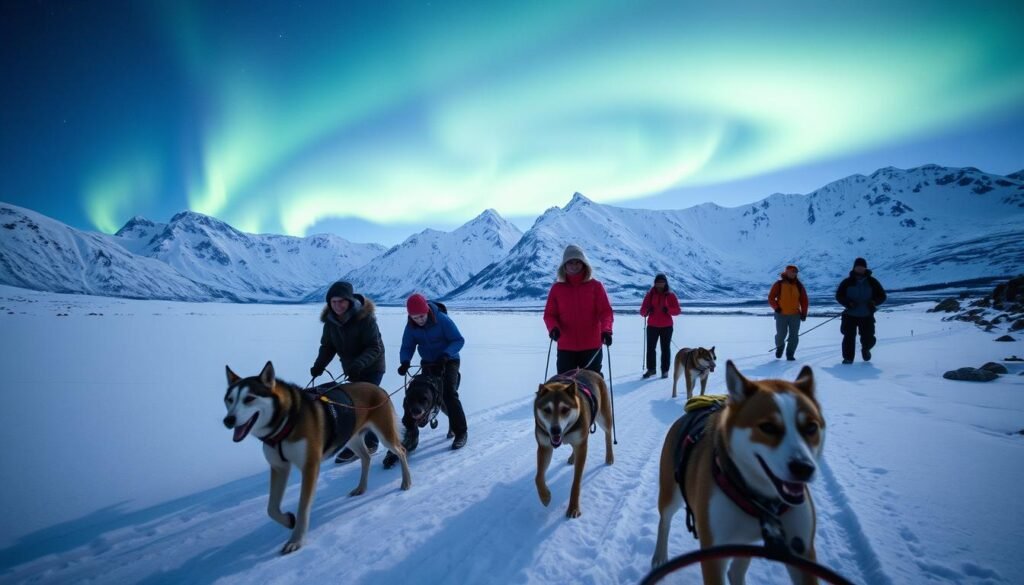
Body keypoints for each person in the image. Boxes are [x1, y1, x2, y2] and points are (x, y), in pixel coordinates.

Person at [310, 280, 386, 463]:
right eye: (334, 302)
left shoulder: (365, 319)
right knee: (353, 406)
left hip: (372, 367)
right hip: (352, 368)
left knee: (365, 405)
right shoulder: (330, 323)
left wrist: (359, 364)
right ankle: (356, 443)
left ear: (349, 301)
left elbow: (374, 347)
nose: (337, 305)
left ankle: (370, 443)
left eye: (341, 301)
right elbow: (328, 346)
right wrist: (319, 365)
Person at [396, 293, 469, 451]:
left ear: (427, 311)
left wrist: (445, 355)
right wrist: (405, 361)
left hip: (449, 360)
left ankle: (461, 432)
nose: (419, 320)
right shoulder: (411, 326)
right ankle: (408, 438)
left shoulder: (442, 319)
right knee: (416, 393)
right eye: (415, 317)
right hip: (429, 362)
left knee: (448, 394)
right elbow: (407, 346)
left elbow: (458, 340)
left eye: (422, 316)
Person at [543, 244, 614, 375]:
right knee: (565, 385)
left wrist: (606, 330)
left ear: (584, 264)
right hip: (566, 347)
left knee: (591, 384)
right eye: (570, 262)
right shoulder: (557, 289)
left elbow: (605, 312)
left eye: (577, 262)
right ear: (564, 265)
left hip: (592, 346)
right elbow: (549, 315)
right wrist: (553, 328)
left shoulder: (596, 286)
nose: (574, 266)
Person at [835, 257, 887, 364]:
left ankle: (866, 349)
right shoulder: (847, 282)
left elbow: (882, 296)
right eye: (858, 267)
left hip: (866, 314)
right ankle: (848, 358)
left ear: (865, 268)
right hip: (850, 314)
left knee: (868, 337)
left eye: (862, 267)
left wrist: (874, 302)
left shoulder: (872, 282)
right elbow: (839, 296)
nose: (860, 269)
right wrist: (848, 303)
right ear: (854, 268)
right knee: (849, 336)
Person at [640, 273, 681, 378]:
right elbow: (642, 311)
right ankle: (651, 369)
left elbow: (677, 310)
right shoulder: (650, 295)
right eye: (658, 282)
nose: (660, 284)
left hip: (666, 326)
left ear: (665, 283)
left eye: (662, 282)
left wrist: (668, 310)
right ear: (655, 283)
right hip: (652, 326)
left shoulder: (670, 295)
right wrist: (647, 310)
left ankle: (665, 370)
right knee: (650, 348)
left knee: (665, 349)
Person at [768, 265, 809, 361]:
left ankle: (790, 354)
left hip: (795, 315)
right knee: (780, 335)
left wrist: (804, 313)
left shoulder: (799, 285)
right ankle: (780, 348)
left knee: (794, 336)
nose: (794, 273)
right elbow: (771, 297)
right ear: (786, 272)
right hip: (781, 314)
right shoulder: (779, 284)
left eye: (796, 272)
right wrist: (776, 308)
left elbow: (804, 300)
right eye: (792, 271)